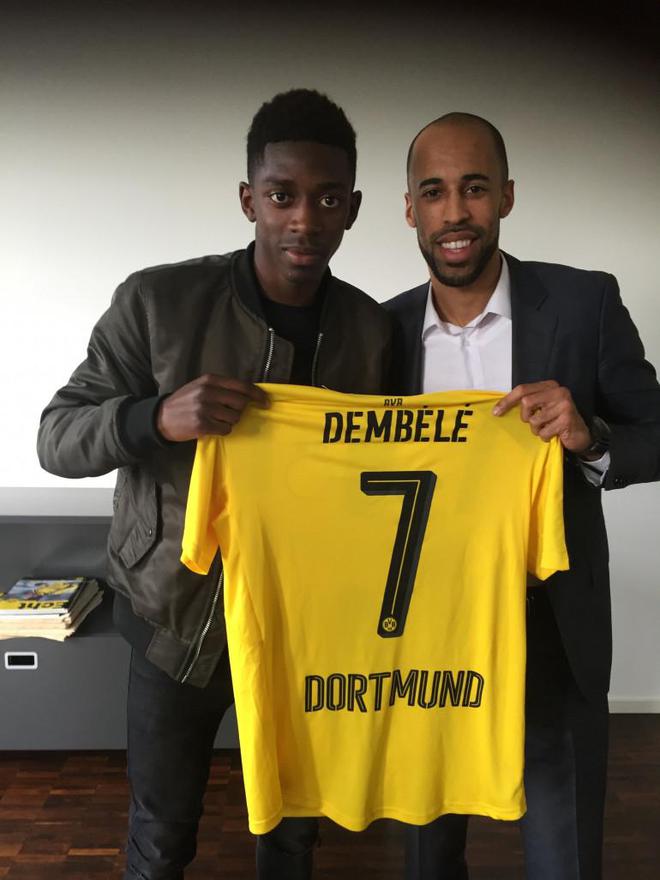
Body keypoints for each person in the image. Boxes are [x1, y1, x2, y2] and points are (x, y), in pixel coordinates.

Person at [37, 88, 392, 880]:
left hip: (304, 630)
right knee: (162, 837)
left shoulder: (372, 332)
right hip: (172, 618)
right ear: (248, 199)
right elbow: (55, 438)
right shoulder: (157, 302)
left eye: (328, 198)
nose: (304, 220)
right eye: (282, 195)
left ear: (354, 208)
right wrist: (156, 418)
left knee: (294, 833)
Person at [384, 112, 660, 880]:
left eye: (474, 188)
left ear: (506, 195)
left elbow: (656, 431)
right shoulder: (376, 331)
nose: (455, 212)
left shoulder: (584, 304)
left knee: (562, 857)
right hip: (424, 637)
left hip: (553, 628)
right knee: (428, 858)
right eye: (434, 192)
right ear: (409, 209)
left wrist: (591, 437)